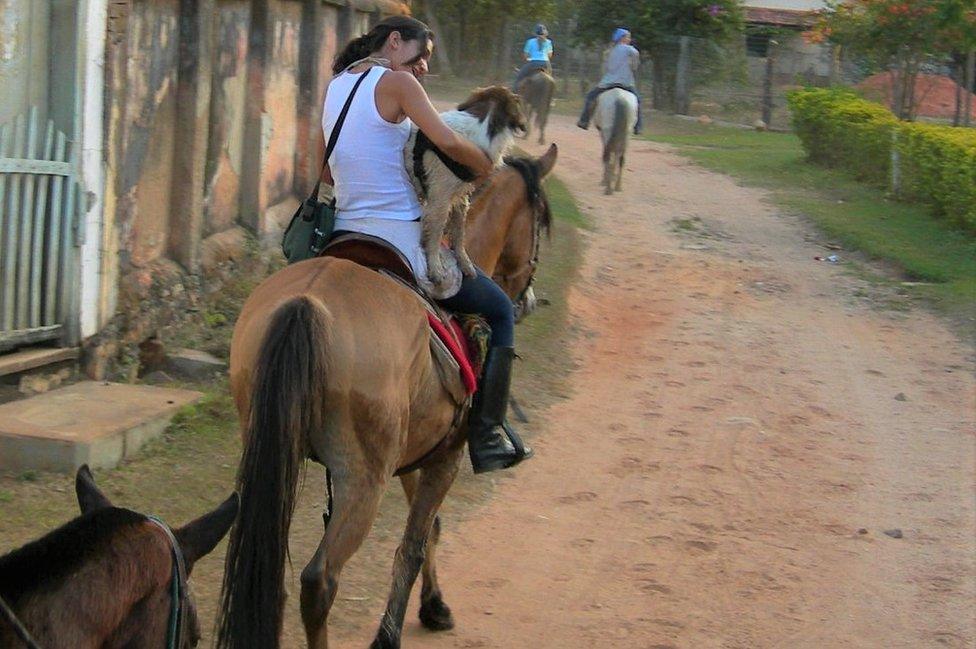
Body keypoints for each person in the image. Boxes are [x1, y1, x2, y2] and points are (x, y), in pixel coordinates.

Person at [321, 16, 533, 474]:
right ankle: (487, 435)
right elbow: (446, 139)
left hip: (342, 234)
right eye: (422, 57)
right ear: (394, 42)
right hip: (399, 239)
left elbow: (324, 171)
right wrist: (482, 167)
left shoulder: (337, 84)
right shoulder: (397, 82)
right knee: (498, 310)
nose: (423, 69)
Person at [577, 27, 643, 134]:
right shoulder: (630, 49)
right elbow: (635, 59)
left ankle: (584, 121)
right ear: (622, 38)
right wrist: (633, 66)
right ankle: (638, 127)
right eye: (628, 37)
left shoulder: (608, 51)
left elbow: (605, 68)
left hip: (608, 83)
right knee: (638, 101)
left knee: (590, 97)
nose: (629, 39)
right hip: (626, 83)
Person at [512, 23, 553, 91]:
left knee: (520, 76)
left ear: (535, 33)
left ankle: (514, 92)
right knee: (550, 79)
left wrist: (529, 59)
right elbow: (550, 56)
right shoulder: (548, 42)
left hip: (533, 63)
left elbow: (526, 55)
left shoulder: (530, 41)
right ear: (545, 33)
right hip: (545, 64)